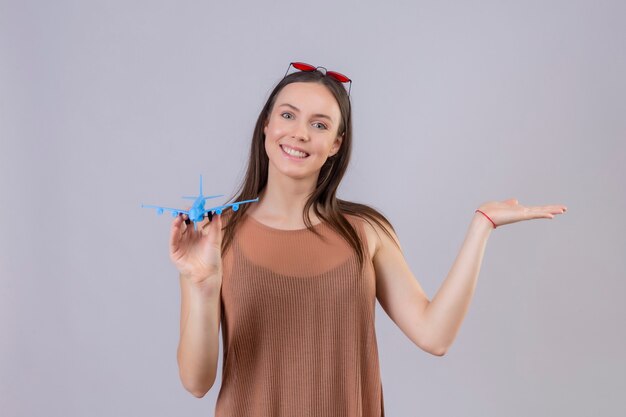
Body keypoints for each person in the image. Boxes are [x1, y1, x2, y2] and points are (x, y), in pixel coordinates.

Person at [169, 62, 567, 416]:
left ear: (336, 144)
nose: (300, 133)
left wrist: (482, 225)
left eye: (320, 124)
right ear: (267, 126)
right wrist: (203, 286)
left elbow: (434, 335)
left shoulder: (366, 232)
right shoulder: (214, 235)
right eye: (288, 115)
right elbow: (196, 382)